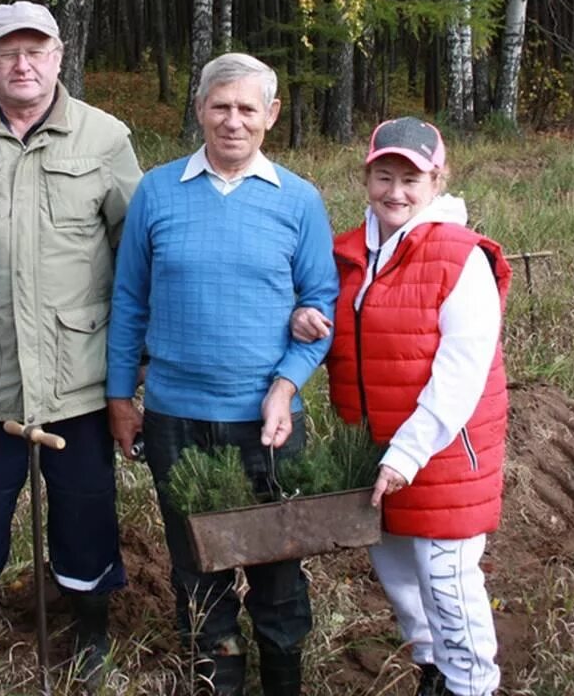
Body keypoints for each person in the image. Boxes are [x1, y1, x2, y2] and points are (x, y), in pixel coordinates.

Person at [0, 0, 142, 676]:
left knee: (86, 509)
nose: (22, 63)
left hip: (81, 373)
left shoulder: (105, 139)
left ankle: (91, 629)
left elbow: (135, 259)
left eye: (35, 50)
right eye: (7, 51)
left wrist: (132, 373)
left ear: (58, 57)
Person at [106, 52, 339, 696]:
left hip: (266, 422)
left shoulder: (298, 200)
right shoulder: (157, 191)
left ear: (270, 116)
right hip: (177, 419)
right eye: (219, 106)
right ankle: (218, 681)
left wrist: (287, 385)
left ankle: (284, 679)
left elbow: (322, 305)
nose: (232, 121)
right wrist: (121, 397)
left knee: (276, 570)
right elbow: (128, 302)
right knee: (197, 571)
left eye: (246, 108)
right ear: (200, 109)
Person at [291, 117, 512, 696]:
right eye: (384, 176)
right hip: (370, 450)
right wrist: (305, 321)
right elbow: (326, 325)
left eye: (411, 179)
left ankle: (472, 684)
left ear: (438, 180)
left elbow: (459, 376)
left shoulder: (460, 258)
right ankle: (433, 671)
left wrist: (407, 454)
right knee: (398, 577)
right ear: (366, 177)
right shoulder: (346, 253)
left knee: (446, 579)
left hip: (440, 455)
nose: (396, 192)